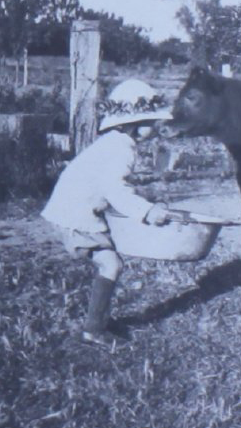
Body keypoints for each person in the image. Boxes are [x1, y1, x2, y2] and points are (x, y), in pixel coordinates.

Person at [42, 79, 173, 348]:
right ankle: (93, 329)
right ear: (131, 124)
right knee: (111, 264)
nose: (156, 127)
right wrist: (147, 211)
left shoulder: (115, 143)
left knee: (111, 263)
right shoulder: (121, 150)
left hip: (71, 209)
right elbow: (116, 190)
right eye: (150, 121)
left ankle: (97, 322)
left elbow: (113, 185)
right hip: (75, 215)